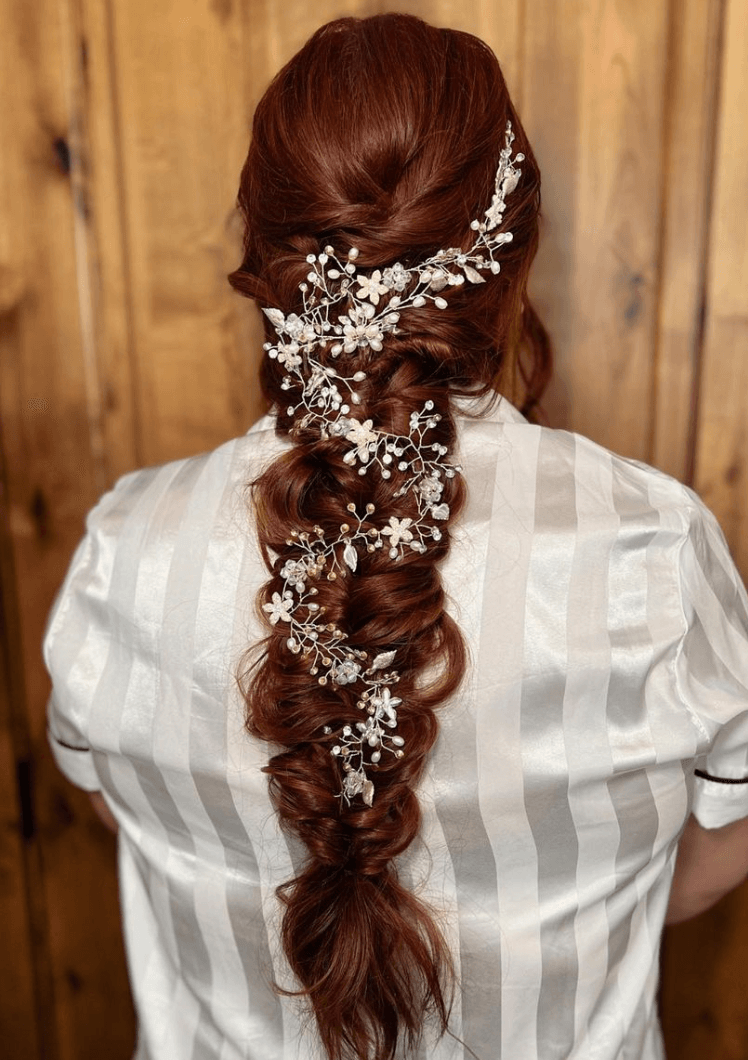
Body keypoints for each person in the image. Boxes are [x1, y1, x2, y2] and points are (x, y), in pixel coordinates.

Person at [43, 13, 748, 1060]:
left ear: (267, 250)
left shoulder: (125, 547)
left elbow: (127, 816)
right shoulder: (648, 545)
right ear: (515, 248)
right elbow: (713, 852)